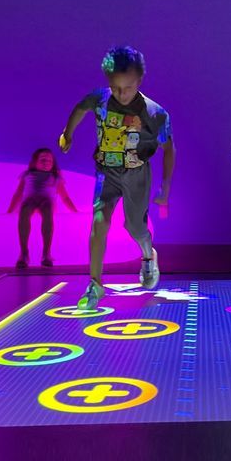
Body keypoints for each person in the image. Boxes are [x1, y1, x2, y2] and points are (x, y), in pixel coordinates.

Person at [59, 45, 175, 309]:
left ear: (140, 81)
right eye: (116, 88)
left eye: (129, 88)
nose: (122, 94)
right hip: (106, 173)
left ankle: (148, 255)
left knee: (134, 227)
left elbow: (169, 150)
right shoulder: (100, 99)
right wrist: (68, 133)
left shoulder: (154, 113)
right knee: (99, 222)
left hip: (136, 175)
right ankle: (95, 283)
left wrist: (165, 188)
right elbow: (80, 108)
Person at [7, 148, 78, 268]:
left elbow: (65, 197)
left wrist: (75, 212)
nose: (46, 162)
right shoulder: (27, 175)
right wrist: (9, 210)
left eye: (49, 160)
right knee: (25, 209)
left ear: (53, 163)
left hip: (46, 203)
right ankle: (24, 253)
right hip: (30, 201)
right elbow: (18, 194)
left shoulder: (55, 177)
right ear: (35, 162)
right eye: (43, 160)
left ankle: (46, 253)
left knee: (47, 208)